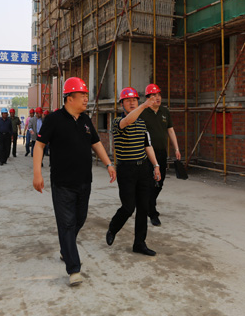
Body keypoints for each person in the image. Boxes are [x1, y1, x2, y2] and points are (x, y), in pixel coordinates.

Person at [33, 77, 116, 286]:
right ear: (70, 98)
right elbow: (39, 145)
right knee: (67, 224)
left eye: (86, 96)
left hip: (84, 181)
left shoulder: (86, 120)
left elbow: (96, 143)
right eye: (83, 96)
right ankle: (74, 269)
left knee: (79, 219)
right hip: (62, 183)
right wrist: (37, 173)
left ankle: (65, 247)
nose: (86, 99)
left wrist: (108, 163)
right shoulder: (54, 119)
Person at [106, 87, 161, 256]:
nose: (132, 103)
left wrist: (156, 165)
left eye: (135, 100)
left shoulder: (142, 123)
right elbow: (127, 121)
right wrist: (144, 106)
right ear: (121, 104)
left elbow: (147, 146)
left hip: (143, 168)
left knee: (143, 208)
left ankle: (139, 243)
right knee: (128, 207)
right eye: (128, 100)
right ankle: (113, 228)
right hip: (126, 170)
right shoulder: (117, 122)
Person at [139, 83, 181, 226]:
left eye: (158, 95)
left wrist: (176, 148)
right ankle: (152, 212)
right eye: (153, 95)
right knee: (150, 182)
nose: (157, 98)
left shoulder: (164, 111)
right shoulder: (143, 112)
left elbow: (170, 130)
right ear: (147, 98)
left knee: (160, 182)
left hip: (161, 152)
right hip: (146, 153)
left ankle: (148, 205)